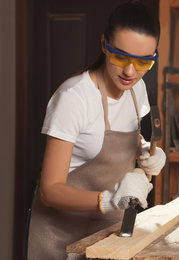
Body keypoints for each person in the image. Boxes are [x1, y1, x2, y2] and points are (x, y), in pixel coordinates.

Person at [26, 1, 165, 259]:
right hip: (61, 237)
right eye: (121, 57)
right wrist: (108, 199)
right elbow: (49, 189)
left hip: (110, 233)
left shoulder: (137, 90)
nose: (130, 71)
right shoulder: (74, 98)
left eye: (144, 62)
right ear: (104, 45)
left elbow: (126, 141)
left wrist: (146, 150)